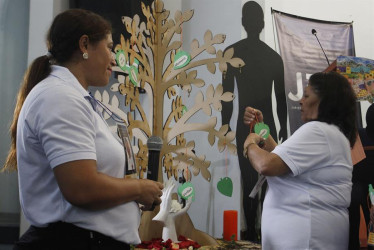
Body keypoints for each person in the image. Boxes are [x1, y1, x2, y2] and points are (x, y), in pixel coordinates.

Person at [2, 9, 163, 250]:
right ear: (85, 45)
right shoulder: (59, 97)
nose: (113, 58)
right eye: (109, 47)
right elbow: (82, 189)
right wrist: (139, 189)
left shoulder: (72, 97)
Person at [243, 71, 357, 249]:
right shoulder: (332, 134)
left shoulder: (317, 131)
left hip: (307, 239)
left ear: (324, 101)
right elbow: (282, 157)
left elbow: (265, 164)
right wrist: (260, 128)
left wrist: (250, 143)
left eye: (306, 95)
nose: (300, 100)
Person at [221, 1, 287, 241]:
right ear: (261, 24)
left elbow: (226, 98)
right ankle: (260, 233)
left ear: (243, 22)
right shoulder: (274, 58)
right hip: (266, 125)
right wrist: (283, 131)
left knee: (250, 181)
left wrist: (225, 124)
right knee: (267, 182)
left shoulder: (231, 53)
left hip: (244, 126)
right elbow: (280, 101)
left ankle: (252, 234)